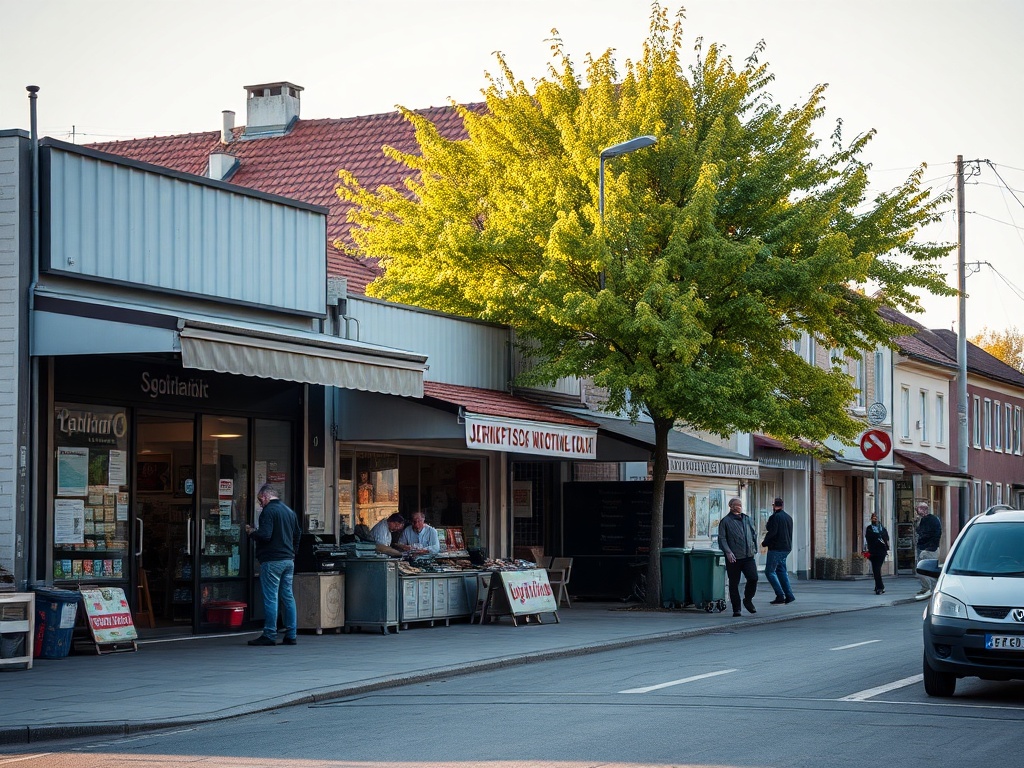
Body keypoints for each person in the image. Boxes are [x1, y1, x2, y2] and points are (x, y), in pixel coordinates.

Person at [244, 484, 301, 646]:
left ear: (265, 496)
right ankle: (291, 634)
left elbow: (265, 535)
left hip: (272, 560)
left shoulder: (268, 511)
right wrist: (292, 553)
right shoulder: (289, 511)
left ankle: (269, 634)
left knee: (271, 597)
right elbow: (298, 534)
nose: (259, 503)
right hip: (288, 560)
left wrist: (251, 532)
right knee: (288, 597)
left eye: (259, 499)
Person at [717, 497, 759, 617]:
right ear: (731, 506)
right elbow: (722, 538)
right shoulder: (726, 521)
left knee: (753, 578)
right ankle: (737, 608)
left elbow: (753, 534)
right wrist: (728, 552)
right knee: (734, 583)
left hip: (748, 556)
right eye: (737, 505)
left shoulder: (747, 519)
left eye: (740, 504)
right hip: (734, 557)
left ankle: (748, 599)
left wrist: (754, 548)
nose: (739, 506)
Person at [762, 497, 796, 605]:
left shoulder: (775, 517)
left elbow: (772, 531)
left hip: (776, 548)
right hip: (786, 548)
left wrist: (765, 542)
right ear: (782, 505)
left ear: (774, 505)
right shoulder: (788, 517)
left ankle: (780, 595)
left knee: (769, 571)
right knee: (781, 571)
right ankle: (789, 595)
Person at [915, 501, 941, 599]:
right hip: (932, 548)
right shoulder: (934, 519)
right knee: (932, 570)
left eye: (917, 509)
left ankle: (927, 589)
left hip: (928, 549)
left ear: (922, 509)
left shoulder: (927, 520)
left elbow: (924, 533)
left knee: (922, 570)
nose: (916, 511)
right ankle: (931, 589)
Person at [864, 512, 890, 595]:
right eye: (873, 518)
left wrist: (879, 535)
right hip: (871, 552)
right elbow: (869, 537)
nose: (875, 519)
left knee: (876, 569)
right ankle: (878, 586)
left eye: (876, 518)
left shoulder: (882, 528)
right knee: (875, 570)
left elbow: (886, 538)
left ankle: (880, 587)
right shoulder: (869, 528)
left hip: (881, 552)